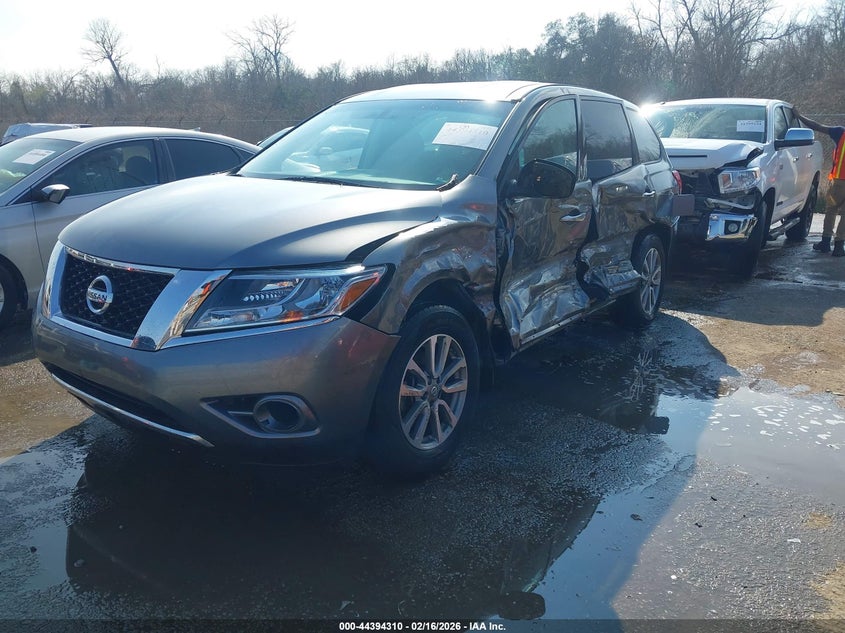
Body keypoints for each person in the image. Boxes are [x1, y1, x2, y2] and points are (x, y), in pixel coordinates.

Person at [793, 106, 845, 257]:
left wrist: (800, 116)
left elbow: (817, 126)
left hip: (838, 182)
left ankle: (825, 242)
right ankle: (839, 246)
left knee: (831, 210)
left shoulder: (840, 133)